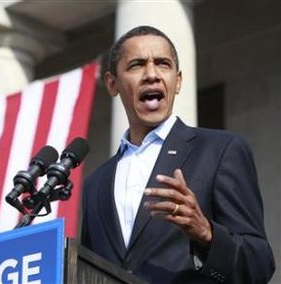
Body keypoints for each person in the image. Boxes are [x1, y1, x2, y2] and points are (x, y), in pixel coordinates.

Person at [81, 26, 275, 283]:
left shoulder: (221, 150)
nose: (152, 74)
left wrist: (207, 233)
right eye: (137, 65)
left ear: (178, 81)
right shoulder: (96, 183)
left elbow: (259, 264)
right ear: (112, 83)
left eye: (162, 64)